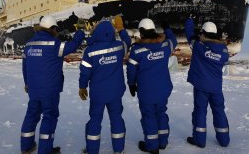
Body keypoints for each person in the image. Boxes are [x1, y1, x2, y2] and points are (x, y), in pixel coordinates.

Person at [21, 15, 85, 154]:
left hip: (33, 89)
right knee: (49, 117)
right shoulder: (55, 45)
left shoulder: (28, 45)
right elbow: (73, 45)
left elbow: (25, 66)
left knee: (31, 115)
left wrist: (27, 83)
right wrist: (80, 30)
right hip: (50, 90)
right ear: (52, 28)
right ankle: (45, 150)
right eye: (56, 29)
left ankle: (26, 147)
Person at [79, 16, 131, 154]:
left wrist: (82, 87)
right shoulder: (119, 47)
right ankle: (118, 150)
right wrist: (121, 29)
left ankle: (92, 150)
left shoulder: (89, 52)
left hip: (98, 94)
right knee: (116, 119)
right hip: (115, 92)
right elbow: (128, 42)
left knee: (95, 120)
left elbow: (85, 73)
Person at [126, 18, 177, 154]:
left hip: (146, 91)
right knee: (161, 113)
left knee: (149, 116)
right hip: (163, 89)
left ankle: (152, 146)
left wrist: (131, 84)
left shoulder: (136, 51)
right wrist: (167, 28)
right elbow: (174, 40)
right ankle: (163, 142)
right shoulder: (165, 46)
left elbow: (131, 70)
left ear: (141, 32)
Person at [184, 17, 230, 148]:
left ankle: (199, 140)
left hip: (201, 86)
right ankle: (224, 140)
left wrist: (190, 21)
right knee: (219, 111)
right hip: (216, 87)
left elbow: (190, 35)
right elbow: (225, 61)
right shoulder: (224, 50)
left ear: (203, 32)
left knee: (200, 111)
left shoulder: (199, 46)